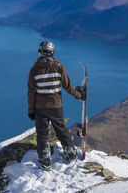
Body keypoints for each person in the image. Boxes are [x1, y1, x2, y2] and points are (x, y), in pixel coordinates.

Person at [27, 40, 86, 170]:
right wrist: (80, 96)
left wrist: (31, 110)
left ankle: (45, 161)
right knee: (61, 131)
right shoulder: (58, 66)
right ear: (52, 52)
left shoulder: (34, 69)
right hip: (55, 106)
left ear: (40, 51)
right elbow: (67, 86)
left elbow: (31, 92)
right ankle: (71, 155)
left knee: (42, 135)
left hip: (40, 107)